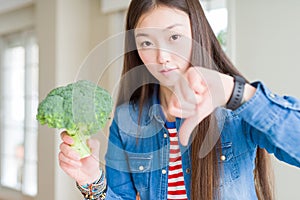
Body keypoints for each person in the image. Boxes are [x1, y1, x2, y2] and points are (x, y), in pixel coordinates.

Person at [58, 0, 300, 199]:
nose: (162, 56)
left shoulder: (236, 110)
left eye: (174, 37)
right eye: (146, 42)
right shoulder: (126, 119)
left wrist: (236, 93)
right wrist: (92, 180)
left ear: (198, 32)